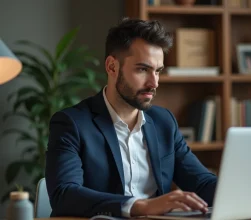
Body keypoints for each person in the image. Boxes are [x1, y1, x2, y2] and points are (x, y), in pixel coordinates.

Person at [45, 17, 217, 218]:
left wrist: (246, 193)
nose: (154, 83)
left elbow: (202, 182)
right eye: (142, 69)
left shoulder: (164, 122)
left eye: (158, 71)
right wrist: (140, 206)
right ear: (112, 67)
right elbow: (64, 194)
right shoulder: (71, 123)